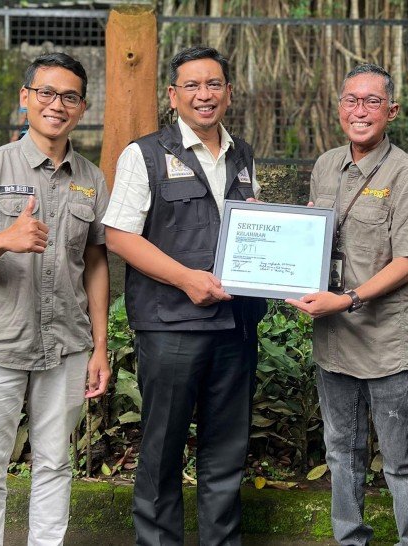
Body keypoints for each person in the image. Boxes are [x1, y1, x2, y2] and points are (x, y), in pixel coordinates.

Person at [0, 52, 110, 545]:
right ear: (26, 98)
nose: (57, 105)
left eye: (69, 96)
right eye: (46, 93)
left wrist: (100, 347)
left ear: (82, 107)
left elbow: (96, 264)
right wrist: (3, 240)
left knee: (55, 463)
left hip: (66, 346)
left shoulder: (91, 179)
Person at [102, 45, 266, 545]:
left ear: (229, 93)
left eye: (213, 84)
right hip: (171, 325)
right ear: (173, 96)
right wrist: (186, 279)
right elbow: (120, 236)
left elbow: (251, 229)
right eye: (191, 86)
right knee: (162, 448)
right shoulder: (145, 154)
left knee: (227, 449)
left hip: (236, 326)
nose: (204, 95)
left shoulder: (242, 154)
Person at [286, 64, 408, 546]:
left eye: (373, 101)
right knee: (341, 452)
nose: (360, 110)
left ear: (392, 111)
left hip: (384, 340)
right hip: (334, 340)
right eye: (351, 100)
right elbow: (317, 242)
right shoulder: (326, 166)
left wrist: (347, 299)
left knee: (401, 458)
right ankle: (350, 539)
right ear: (339, 108)